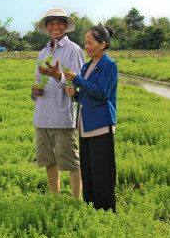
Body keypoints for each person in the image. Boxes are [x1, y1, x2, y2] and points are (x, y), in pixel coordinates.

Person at [63, 25, 118, 212]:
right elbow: (87, 95)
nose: (86, 46)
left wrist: (77, 80)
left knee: (102, 170)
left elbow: (102, 92)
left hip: (101, 125)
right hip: (85, 125)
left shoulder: (109, 65)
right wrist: (74, 95)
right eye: (85, 42)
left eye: (90, 42)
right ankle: (91, 207)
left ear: (102, 44)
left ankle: (106, 210)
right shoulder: (87, 66)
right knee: (88, 170)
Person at [31, 8, 85, 198]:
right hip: (42, 115)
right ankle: (55, 196)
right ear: (46, 28)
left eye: (59, 23)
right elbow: (38, 81)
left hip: (62, 115)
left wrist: (56, 74)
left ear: (66, 26)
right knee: (48, 160)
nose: (55, 27)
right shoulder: (44, 52)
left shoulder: (74, 50)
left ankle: (76, 199)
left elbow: (78, 81)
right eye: (51, 23)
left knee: (70, 161)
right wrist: (35, 90)